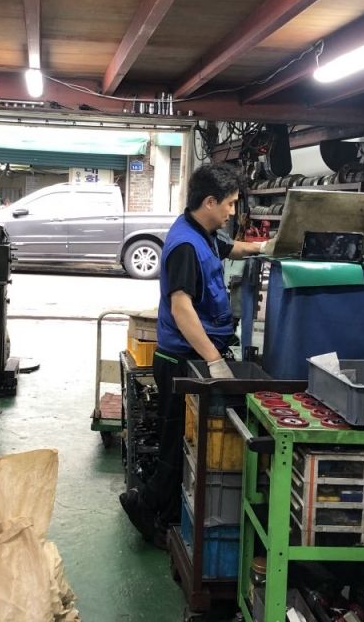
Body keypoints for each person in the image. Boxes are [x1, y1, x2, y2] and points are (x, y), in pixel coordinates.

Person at [119, 162, 274, 547]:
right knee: (176, 445)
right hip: (181, 361)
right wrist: (214, 361)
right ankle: (146, 506)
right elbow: (182, 308)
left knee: (182, 440)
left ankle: (167, 510)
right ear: (209, 202)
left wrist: (266, 248)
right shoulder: (186, 246)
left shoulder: (200, 231)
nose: (232, 212)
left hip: (191, 356)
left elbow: (231, 248)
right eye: (230, 204)